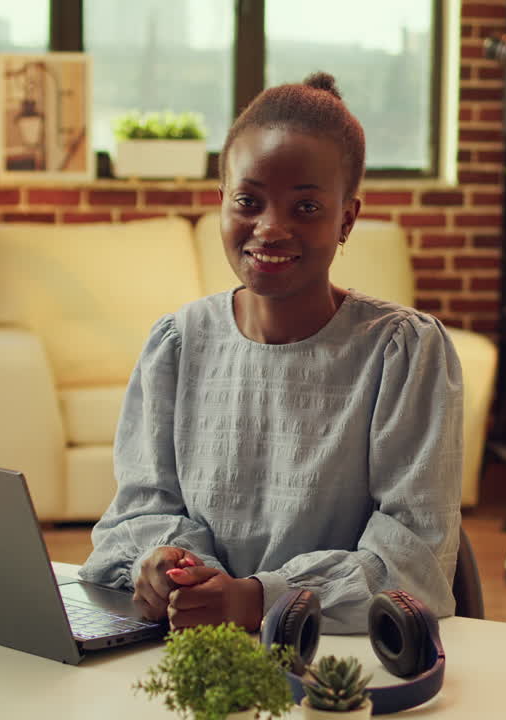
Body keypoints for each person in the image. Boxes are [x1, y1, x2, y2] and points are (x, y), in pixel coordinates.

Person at [78, 72, 463, 634]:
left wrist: (260, 598)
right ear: (222, 206)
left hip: (339, 654)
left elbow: (414, 562)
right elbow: (137, 517)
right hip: (192, 645)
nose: (270, 228)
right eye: (248, 201)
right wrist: (170, 570)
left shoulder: (402, 352)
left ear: (346, 219)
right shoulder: (177, 344)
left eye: (305, 208)